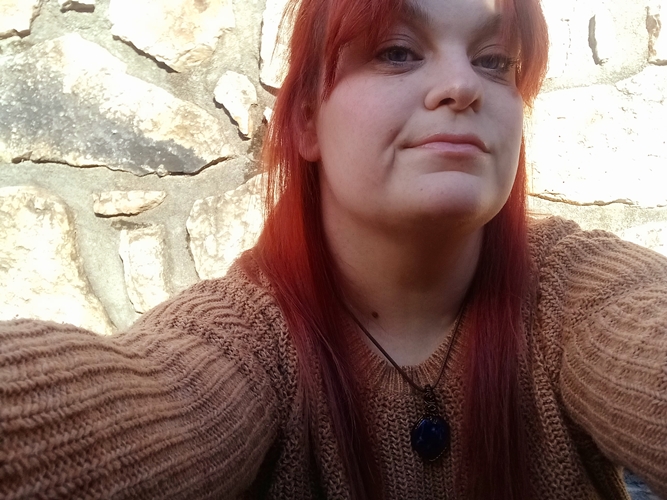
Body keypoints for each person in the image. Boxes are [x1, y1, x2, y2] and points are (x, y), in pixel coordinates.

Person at [1, 0, 666, 497]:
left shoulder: (574, 291)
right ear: (306, 120)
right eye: (398, 51)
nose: (462, 86)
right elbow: (158, 401)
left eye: (493, 61)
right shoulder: (250, 338)